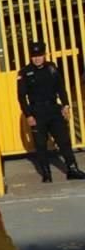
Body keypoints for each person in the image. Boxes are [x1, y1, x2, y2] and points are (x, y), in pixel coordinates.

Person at [18, 41, 85, 182]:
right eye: (34, 56)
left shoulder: (51, 68)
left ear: (45, 55)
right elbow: (21, 97)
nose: (37, 58)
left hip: (54, 109)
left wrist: (66, 105)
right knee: (41, 145)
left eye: (40, 55)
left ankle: (72, 169)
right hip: (37, 111)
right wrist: (28, 115)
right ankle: (46, 173)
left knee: (64, 141)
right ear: (30, 57)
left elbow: (61, 88)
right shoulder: (24, 73)